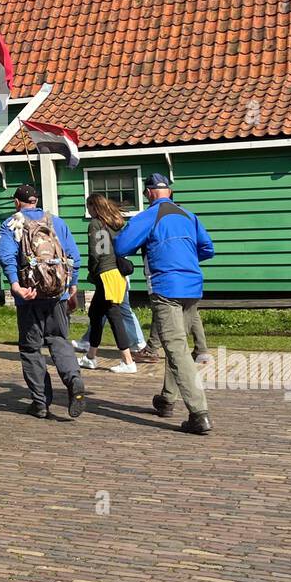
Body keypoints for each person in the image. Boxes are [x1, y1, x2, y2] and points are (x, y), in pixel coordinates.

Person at [114, 173, 215, 434]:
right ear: (169, 192)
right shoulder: (188, 216)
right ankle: (167, 399)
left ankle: (199, 413)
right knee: (177, 343)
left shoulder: (149, 216)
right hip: (193, 287)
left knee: (176, 347)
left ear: (149, 193)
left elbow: (122, 245)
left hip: (166, 287)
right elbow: (208, 249)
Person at [0, 183, 87, 419]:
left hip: (30, 295)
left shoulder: (11, 224)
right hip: (57, 294)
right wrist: (72, 287)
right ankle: (73, 378)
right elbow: (73, 258)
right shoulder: (56, 221)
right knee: (59, 340)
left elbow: (5, 256)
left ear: (17, 202)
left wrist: (15, 285)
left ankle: (40, 403)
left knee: (31, 348)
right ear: (36, 200)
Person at [75, 193, 139, 374]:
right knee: (95, 313)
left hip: (106, 273)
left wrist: (92, 271)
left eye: (88, 207)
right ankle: (90, 357)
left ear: (94, 207)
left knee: (114, 315)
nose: (87, 210)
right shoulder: (115, 223)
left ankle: (128, 361)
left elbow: (97, 251)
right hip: (118, 274)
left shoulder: (96, 223)